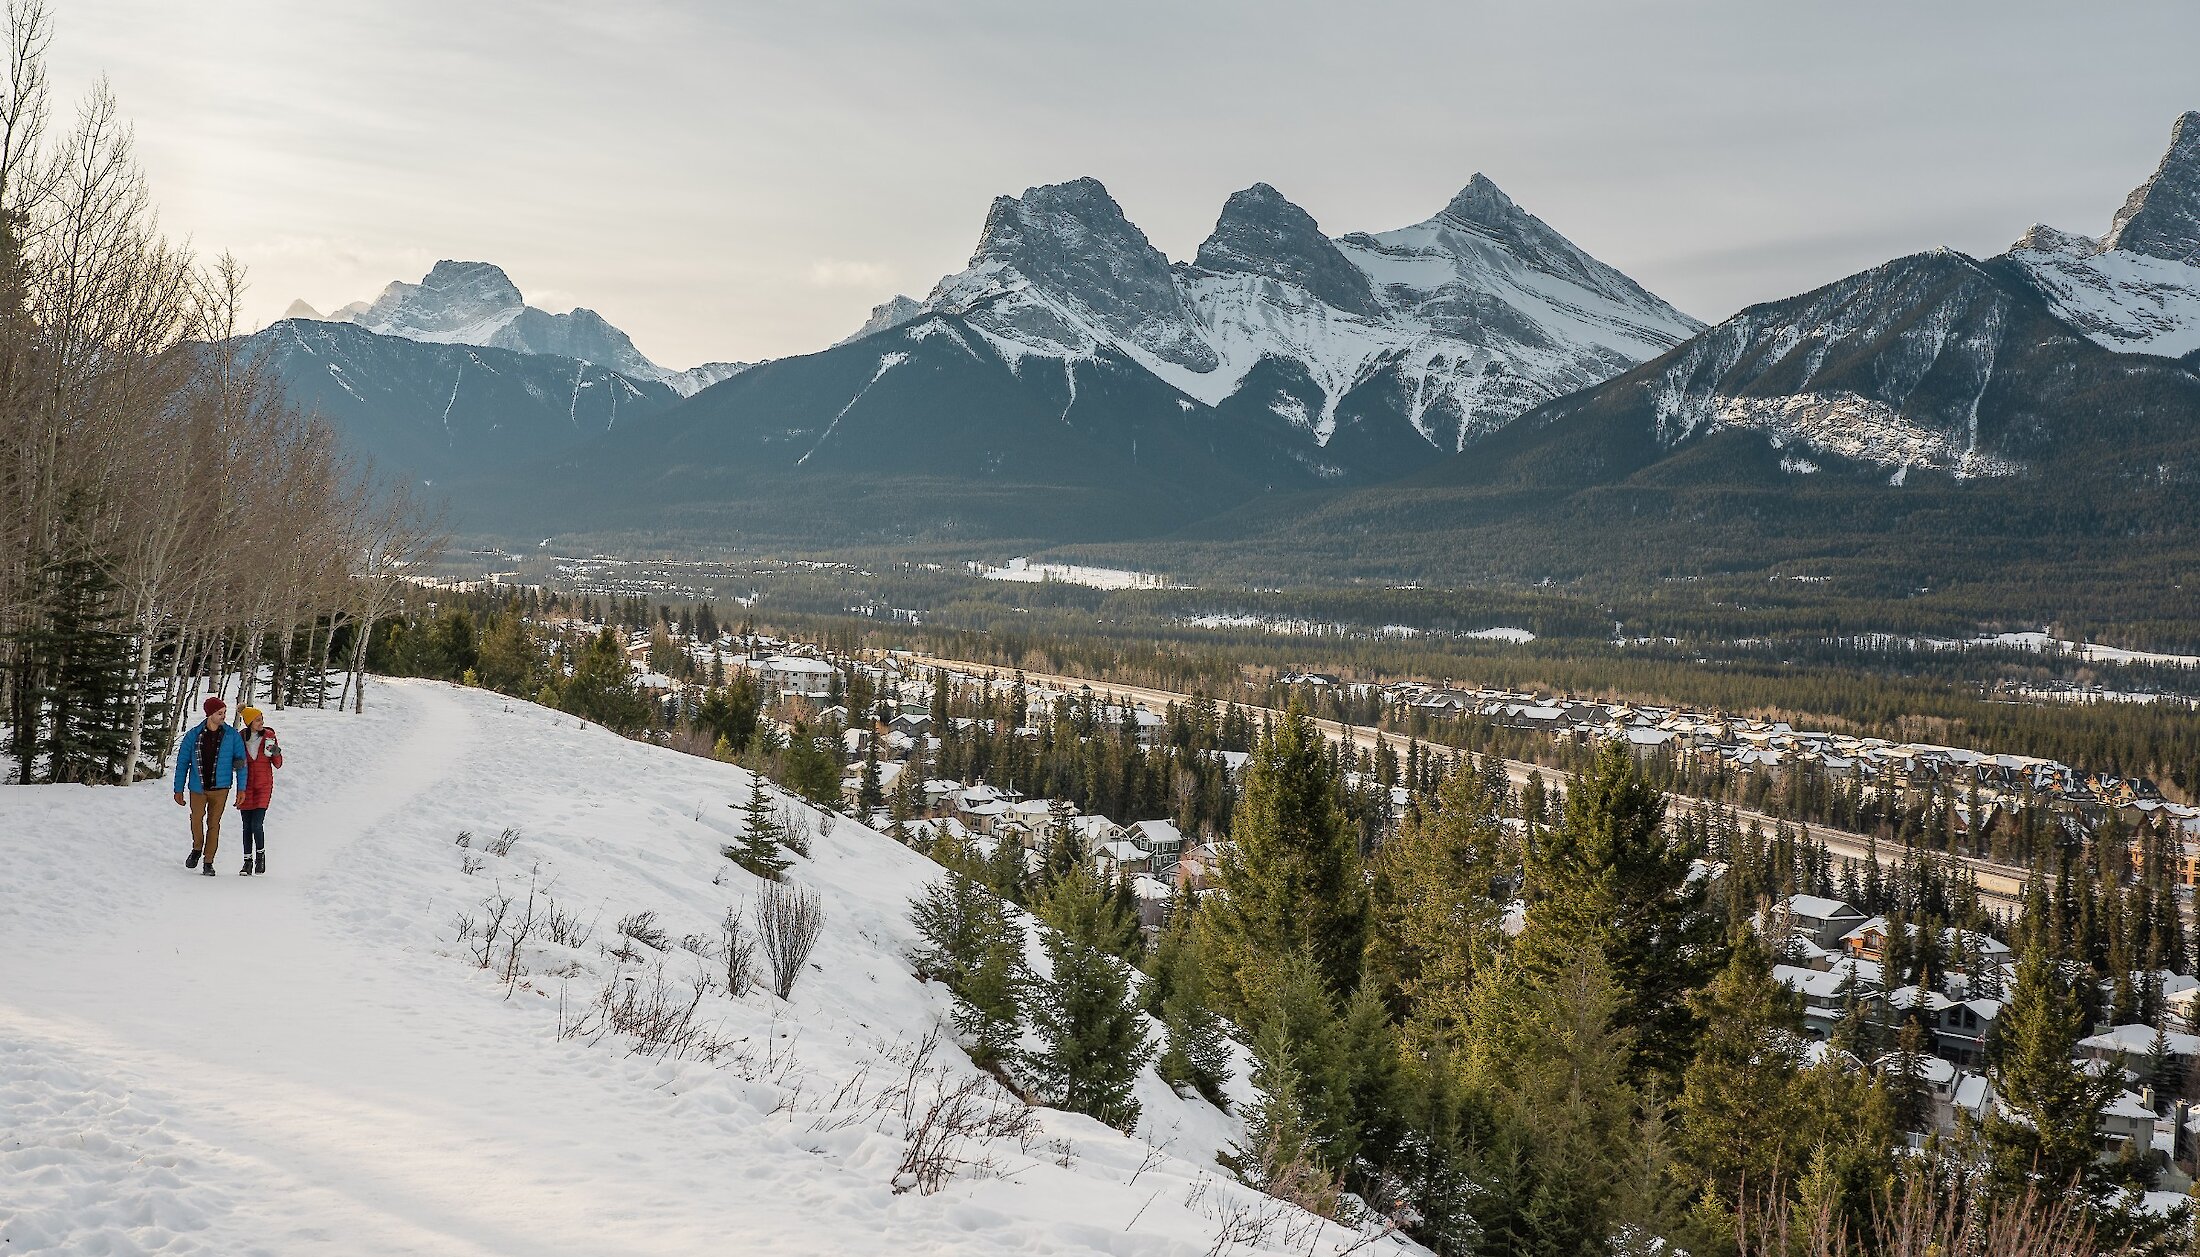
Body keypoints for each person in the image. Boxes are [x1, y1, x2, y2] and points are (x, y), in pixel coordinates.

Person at [173, 696, 248, 877]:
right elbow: (182, 763)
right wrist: (178, 789)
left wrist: (241, 788)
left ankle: (208, 861)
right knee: (196, 818)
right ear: (210, 714)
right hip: (198, 788)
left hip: (221, 788)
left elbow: (240, 763)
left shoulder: (231, 736)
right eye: (219, 713)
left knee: (214, 824)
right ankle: (197, 847)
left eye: (224, 713)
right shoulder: (193, 735)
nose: (223, 716)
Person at [232, 706, 283, 876]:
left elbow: (278, 763)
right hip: (246, 787)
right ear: (249, 723)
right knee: (246, 826)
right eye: (258, 720)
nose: (262, 723)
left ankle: (260, 857)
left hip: (263, 785)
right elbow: (237, 763)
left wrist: (275, 750)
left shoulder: (269, 737)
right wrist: (236, 764)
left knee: (256, 824)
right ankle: (247, 862)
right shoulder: (240, 738)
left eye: (262, 719)